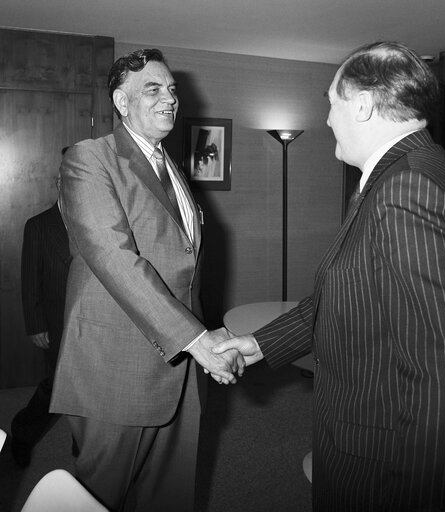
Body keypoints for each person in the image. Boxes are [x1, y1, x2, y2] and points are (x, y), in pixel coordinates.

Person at [214, 41, 445, 511]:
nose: (329, 119)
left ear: (363, 104)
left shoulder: (406, 192)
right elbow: (348, 290)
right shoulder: (416, 173)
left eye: (331, 104)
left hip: (382, 462)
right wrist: (260, 343)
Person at [49, 48, 243, 512]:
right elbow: (113, 257)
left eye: (172, 90)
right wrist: (198, 340)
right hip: (115, 369)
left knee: (168, 496)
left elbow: (182, 264)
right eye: (152, 89)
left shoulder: (172, 167)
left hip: (177, 369)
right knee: (98, 498)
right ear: (121, 101)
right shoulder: (89, 159)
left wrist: (200, 340)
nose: (169, 99)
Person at [11, 151, 72, 467]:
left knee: (88, 390)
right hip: (56, 324)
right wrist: (35, 325)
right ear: (59, 183)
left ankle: (83, 445)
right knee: (55, 387)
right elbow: (30, 280)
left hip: (92, 324)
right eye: (68, 179)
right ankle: (21, 435)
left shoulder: (99, 222)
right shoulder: (38, 226)